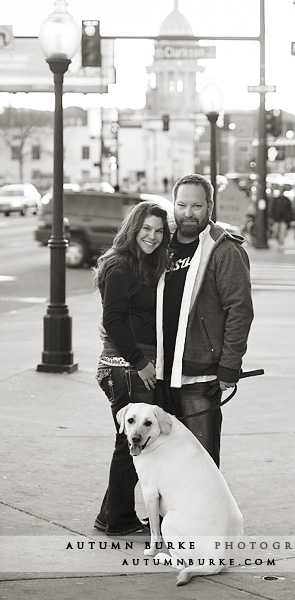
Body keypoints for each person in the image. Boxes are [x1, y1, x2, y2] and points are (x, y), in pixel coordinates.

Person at [156, 173, 254, 467]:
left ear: (210, 206)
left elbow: (240, 311)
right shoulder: (158, 243)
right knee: (162, 457)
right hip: (158, 371)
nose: (188, 213)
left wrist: (229, 366)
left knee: (201, 461)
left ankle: (205, 514)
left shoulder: (224, 250)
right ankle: (170, 515)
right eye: (181, 205)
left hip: (199, 375)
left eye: (196, 206)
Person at [93, 202, 171, 537]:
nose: (152, 237)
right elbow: (112, 318)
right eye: (146, 230)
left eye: (158, 231)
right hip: (126, 368)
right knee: (133, 444)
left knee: (130, 443)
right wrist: (141, 364)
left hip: (127, 365)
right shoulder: (122, 265)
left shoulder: (141, 264)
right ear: (133, 229)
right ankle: (120, 520)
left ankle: (109, 514)